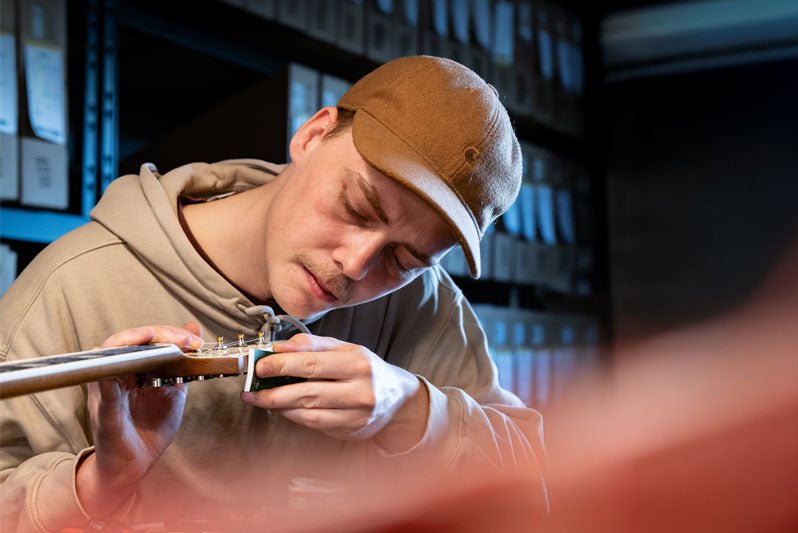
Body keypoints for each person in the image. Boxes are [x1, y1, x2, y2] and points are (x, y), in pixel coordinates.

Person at [0, 56, 546, 531]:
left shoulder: (425, 305)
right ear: (311, 135)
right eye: (356, 207)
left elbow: (540, 488)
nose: (354, 266)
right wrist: (101, 482)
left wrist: (410, 411)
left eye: (403, 258)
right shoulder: (69, 284)